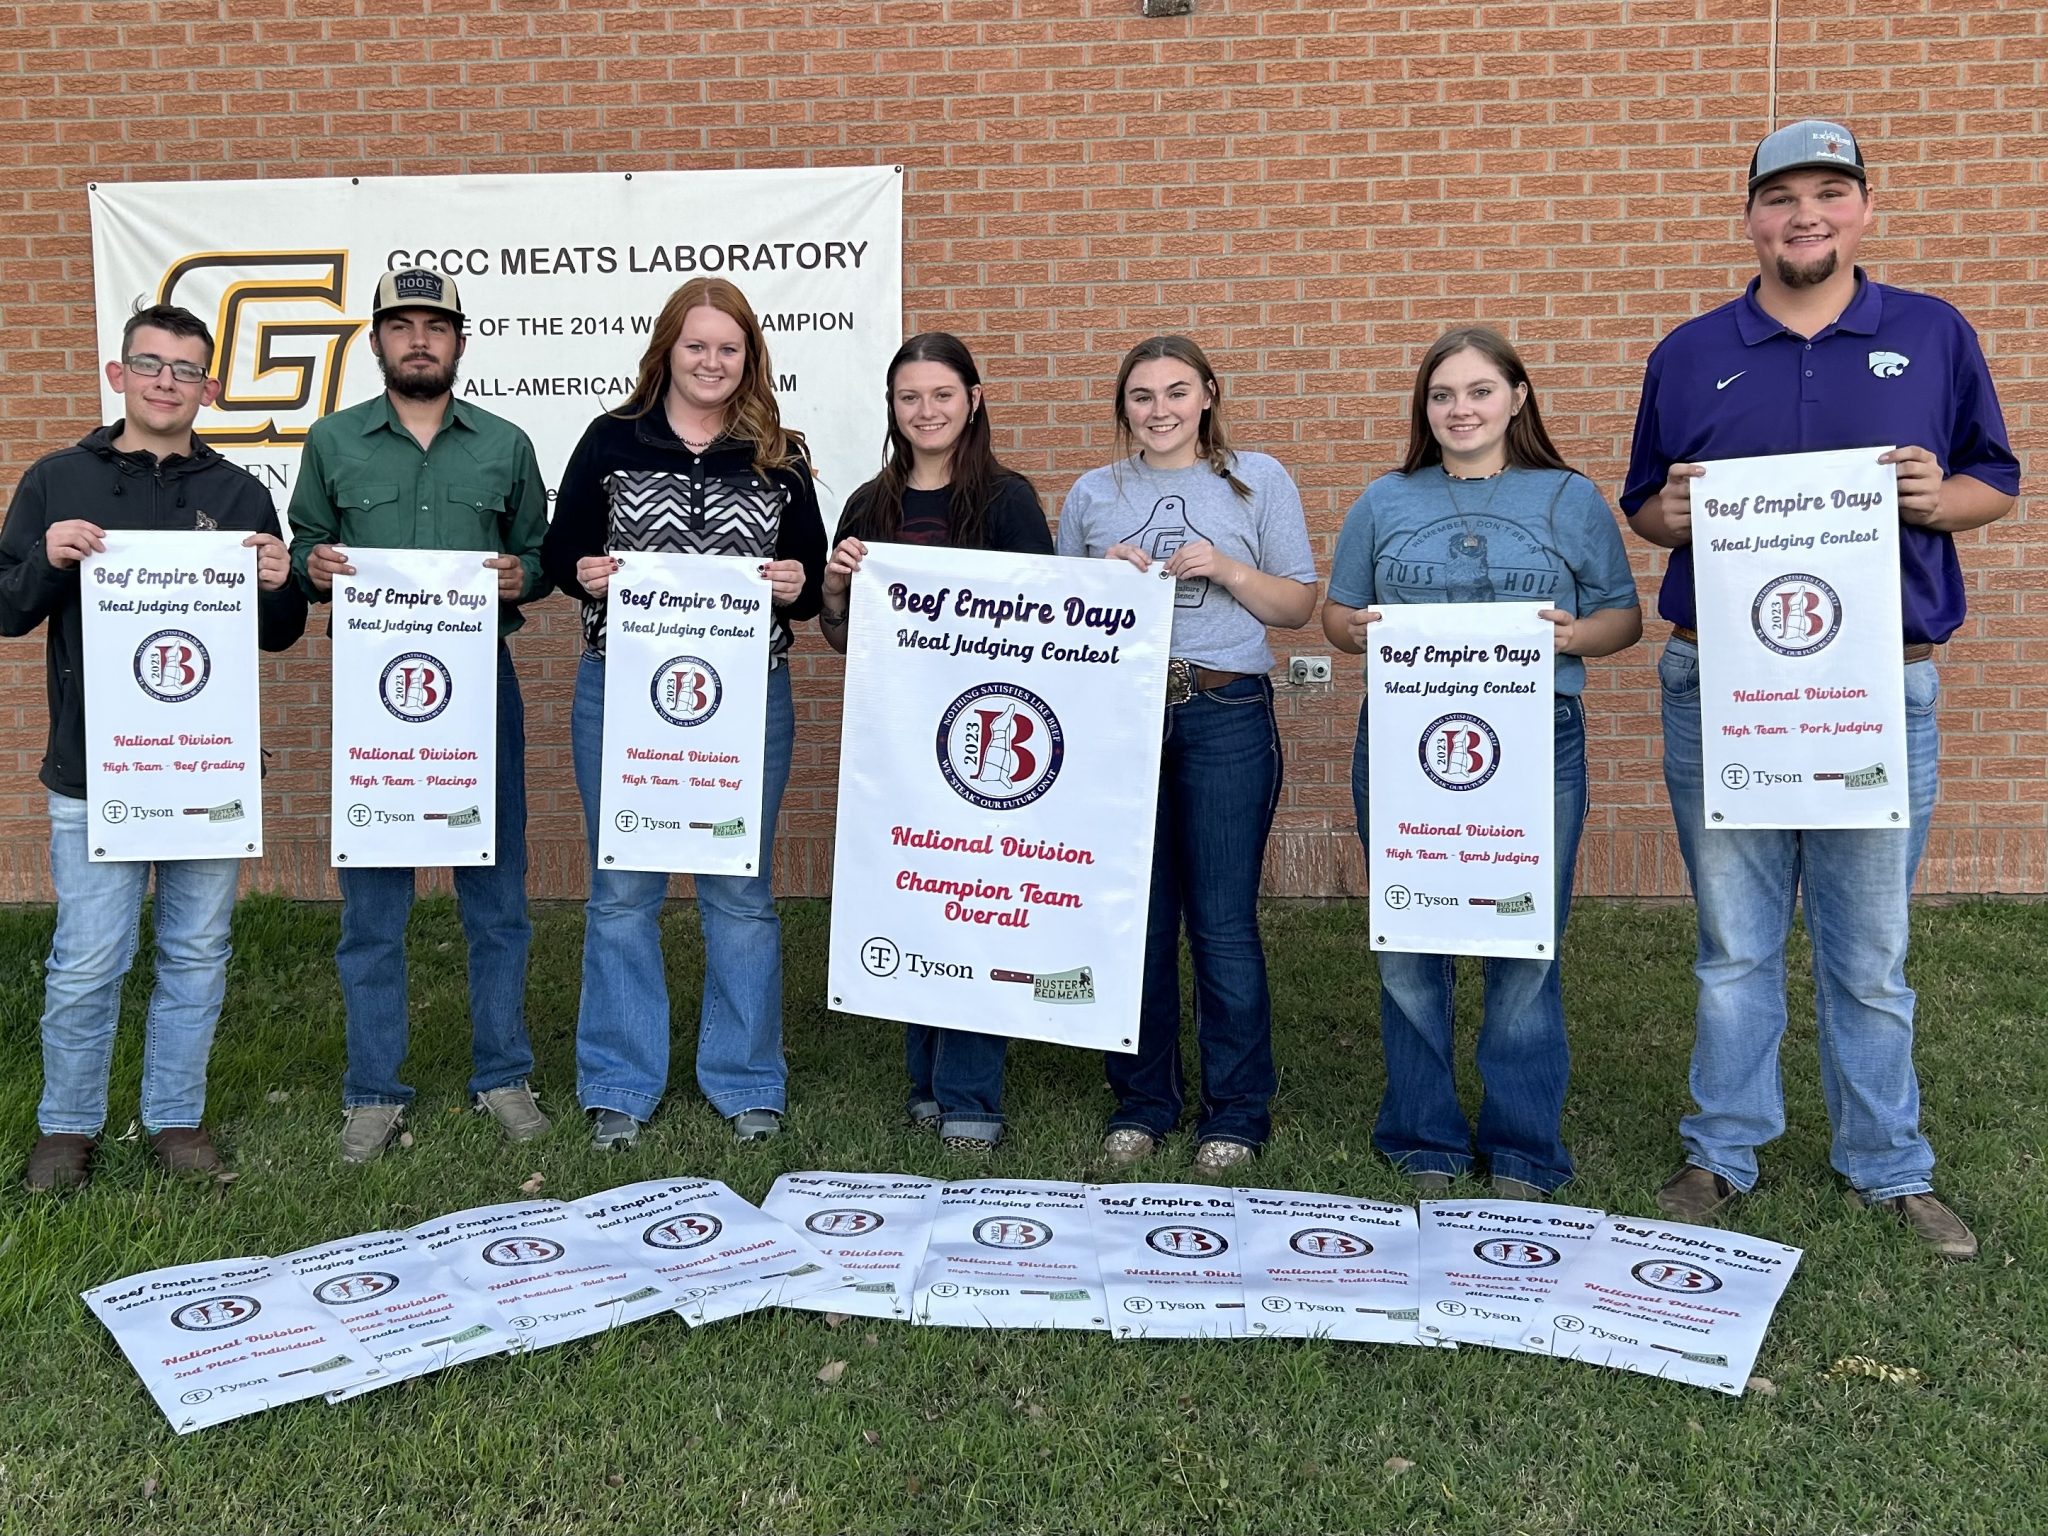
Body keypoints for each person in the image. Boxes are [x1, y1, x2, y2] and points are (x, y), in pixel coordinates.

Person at [1622, 121, 2018, 1257]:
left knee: (1867, 949)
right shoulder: (1691, 350)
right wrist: (1671, 515)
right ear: (1748, 216)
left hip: (1876, 685)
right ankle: (1720, 1152)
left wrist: (1936, 498)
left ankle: (1887, 1164)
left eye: (1828, 193)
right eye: (1780, 196)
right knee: (1734, 941)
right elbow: (1642, 502)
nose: (1804, 216)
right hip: (1722, 682)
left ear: (1863, 208)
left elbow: (1994, 480)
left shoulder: (1931, 335)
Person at [1322, 327, 1641, 1200]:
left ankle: (1523, 1146)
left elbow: (1623, 617)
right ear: (1423, 409)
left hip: (1537, 739)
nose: (1459, 410)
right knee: (1409, 938)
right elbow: (1337, 614)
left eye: (1478, 392)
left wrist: (1573, 636)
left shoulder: (1569, 498)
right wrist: (1355, 630)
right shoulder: (1384, 500)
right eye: (1441, 395)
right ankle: (1423, 1133)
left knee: (1524, 942)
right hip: (1405, 742)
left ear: (1517, 398)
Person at [0, 302, 307, 1190]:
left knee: (196, 951)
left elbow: (275, 635)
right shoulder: (58, 479)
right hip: (95, 765)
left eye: (185, 369)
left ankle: (176, 1116)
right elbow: (9, 608)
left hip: (208, 767)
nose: (166, 381)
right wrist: (45, 559)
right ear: (118, 375)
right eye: (150, 364)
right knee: (90, 954)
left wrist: (281, 585)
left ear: (209, 388)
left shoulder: (242, 496)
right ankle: (67, 1126)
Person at [540, 276, 825, 1150]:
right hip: (622, 695)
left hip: (747, 701)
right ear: (667, 348)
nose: (711, 361)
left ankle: (746, 1081)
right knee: (623, 889)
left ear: (750, 358)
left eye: (728, 348)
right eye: (696, 345)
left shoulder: (781, 453)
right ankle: (620, 1082)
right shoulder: (611, 441)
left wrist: (796, 581)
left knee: (739, 891)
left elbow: (809, 580)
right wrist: (584, 571)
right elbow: (560, 554)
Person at [287, 267, 553, 1164]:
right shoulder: (333, 441)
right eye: (400, 326)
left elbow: (536, 553)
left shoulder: (506, 444)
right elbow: (300, 542)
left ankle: (504, 1075)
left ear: (459, 342)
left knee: (497, 891)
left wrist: (529, 576)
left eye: (434, 326)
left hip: (482, 686)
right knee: (373, 901)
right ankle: (374, 1090)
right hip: (377, 700)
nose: (418, 340)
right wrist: (311, 564)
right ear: (376, 343)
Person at [1056, 335, 1319, 1176]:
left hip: (1225, 709)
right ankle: (1143, 1102)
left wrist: (1231, 570)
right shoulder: (1095, 493)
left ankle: (1236, 1114)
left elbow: (1298, 605)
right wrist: (1103, 575)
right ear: (1123, 406)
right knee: (1135, 919)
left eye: (1176, 393)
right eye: (1141, 396)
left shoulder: (1258, 477)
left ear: (1208, 395)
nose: (1160, 411)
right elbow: (1054, 618)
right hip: (1122, 716)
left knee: (1222, 922)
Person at [817, 332, 1054, 1154]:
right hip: (892, 741)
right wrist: (837, 588)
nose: (926, 411)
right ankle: (925, 1081)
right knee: (915, 900)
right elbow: (839, 638)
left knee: (973, 910)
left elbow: (1043, 628)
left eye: (942, 396)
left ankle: (970, 1097)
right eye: (909, 398)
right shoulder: (867, 504)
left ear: (974, 401)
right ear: (893, 408)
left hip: (982, 740)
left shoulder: (1008, 501)